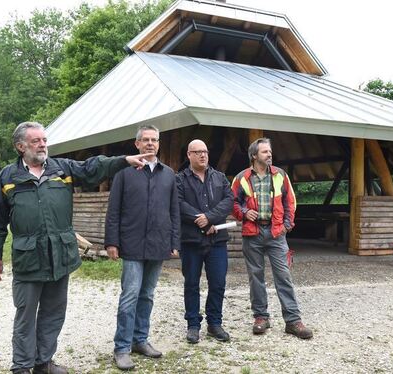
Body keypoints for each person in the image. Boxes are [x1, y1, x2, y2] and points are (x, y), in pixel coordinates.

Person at [0, 121, 152, 374]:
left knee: (53, 314)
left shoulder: (62, 169)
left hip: (60, 256)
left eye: (44, 140)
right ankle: (21, 367)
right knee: (25, 316)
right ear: (20, 146)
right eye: (36, 141)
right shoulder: (8, 177)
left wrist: (123, 160)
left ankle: (43, 362)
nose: (43, 145)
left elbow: (92, 167)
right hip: (28, 259)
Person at [104, 124, 180, 371]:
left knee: (147, 295)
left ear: (158, 144)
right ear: (136, 144)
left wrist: (174, 242)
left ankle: (140, 340)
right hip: (132, 244)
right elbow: (113, 210)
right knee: (130, 296)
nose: (150, 143)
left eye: (154, 140)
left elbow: (174, 212)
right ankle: (122, 348)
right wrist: (112, 242)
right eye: (145, 140)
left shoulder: (168, 174)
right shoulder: (124, 174)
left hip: (158, 243)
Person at [231, 137, 313, 340]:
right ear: (254, 156)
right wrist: (243, 212)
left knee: (283, 276)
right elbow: (232, 202)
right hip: (253, 234)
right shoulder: (241, 178)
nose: (270, 154)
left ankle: (293, 321)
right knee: (255, 277)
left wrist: (287, 225)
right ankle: (261, 317)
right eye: (265, 152)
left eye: (270, 151)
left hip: (277, 234)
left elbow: (290, 202)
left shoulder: (280, 175)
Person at [176, 139, 233, 344]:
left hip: (217, 239)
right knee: (191, 283)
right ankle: (193, 325)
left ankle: (214, 323)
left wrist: (210, 217)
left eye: (205, 152)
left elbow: (228, 201)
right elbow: (178, 203)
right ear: (189, 155)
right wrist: (200, 221)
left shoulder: (219, 177)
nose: (203, 155)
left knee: (218, 283)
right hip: (191, 241)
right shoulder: (180, 179)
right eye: (198, 152)